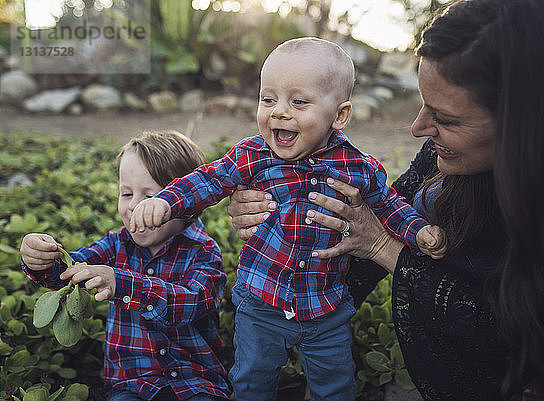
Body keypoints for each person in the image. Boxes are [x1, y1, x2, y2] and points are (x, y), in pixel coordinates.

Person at [226, 0, 544, 399]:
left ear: (531, 122)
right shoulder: (445, 160)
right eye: (423, 103)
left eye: (447, 118)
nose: (417, 126)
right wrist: (276, 206)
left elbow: (506, 335)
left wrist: (384, 248)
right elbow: (382, 212)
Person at [128, 37, 446, 401]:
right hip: (262, 303)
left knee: (336, 385)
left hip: (325, 309)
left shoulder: (357, 166)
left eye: (298, 101)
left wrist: (418, 231)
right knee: (251, 380)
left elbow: (390, 206)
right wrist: (167, 202)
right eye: (268, 99)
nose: (279, 111)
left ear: (339, 115)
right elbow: (208, 180)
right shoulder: (253, 155)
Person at [20, 130, 230, 401]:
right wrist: (40, 260)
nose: (133, 206)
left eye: (149, 197)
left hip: (195, 381)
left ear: (186, 203)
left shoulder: (203, 251)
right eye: (126, 193)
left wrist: (123, 284)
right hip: (132, 384)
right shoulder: (115, 245)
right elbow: (65, 274)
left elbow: (193, 302)